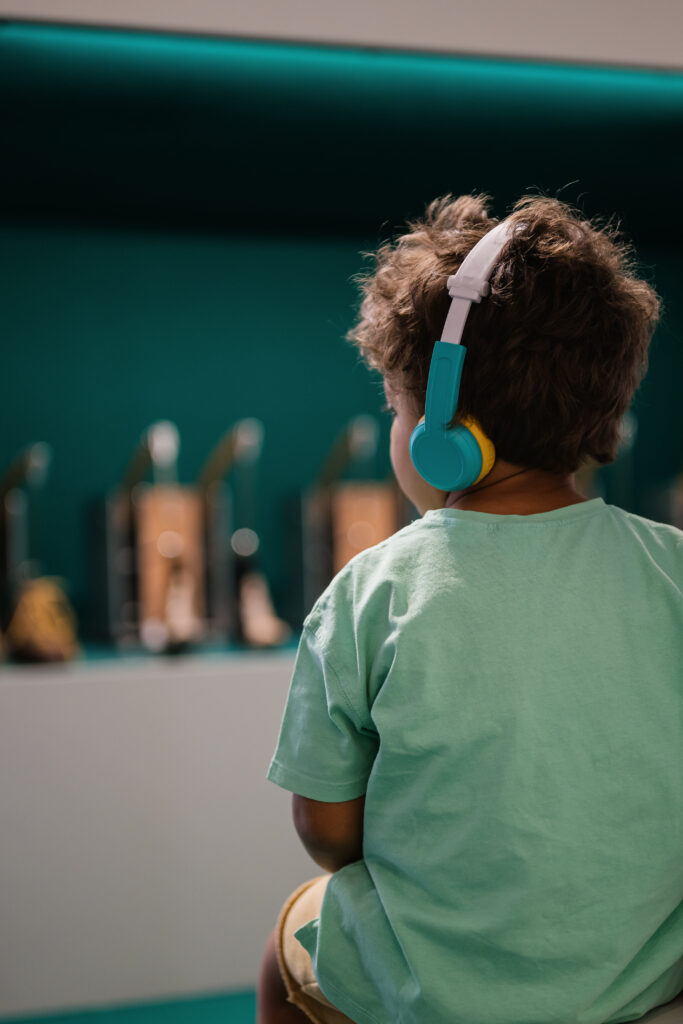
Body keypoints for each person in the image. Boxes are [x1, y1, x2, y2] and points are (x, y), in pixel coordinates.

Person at [257, 193, 683, 1024]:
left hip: (443, 995)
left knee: (284, 947)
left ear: (441, 427)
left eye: (394, 404)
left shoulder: (369, 591)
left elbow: (328, 834)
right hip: (642, 976)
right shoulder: (673, 570)